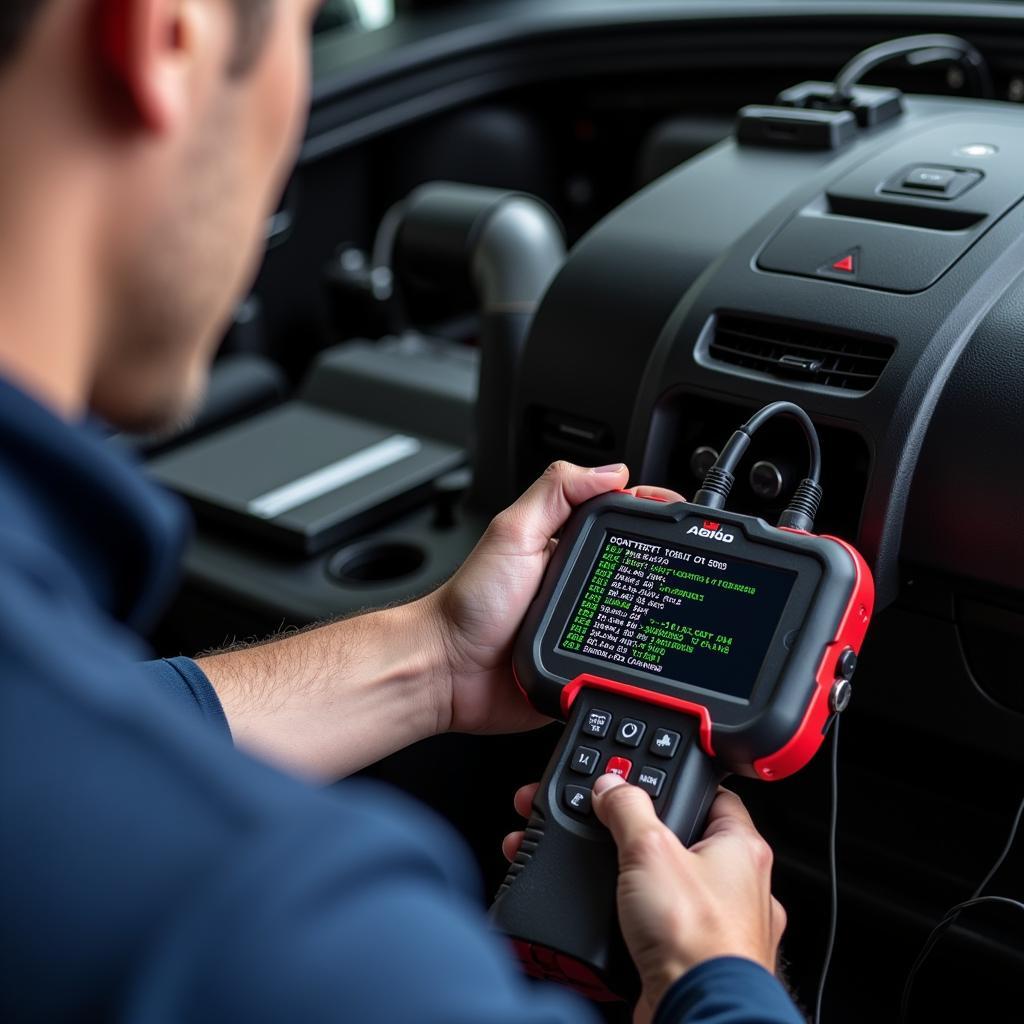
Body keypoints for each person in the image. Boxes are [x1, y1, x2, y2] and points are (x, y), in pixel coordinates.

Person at [0, 2, 803, 1022]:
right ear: (168, 36)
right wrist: (722, 978)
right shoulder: (284, 934)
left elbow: (73, 728)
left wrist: (433, 658)